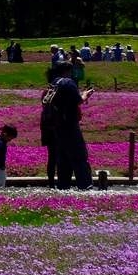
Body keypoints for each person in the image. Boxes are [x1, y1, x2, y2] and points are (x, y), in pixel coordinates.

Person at [50, 61, 94, 190]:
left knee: (63, 158)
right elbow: (79, 100)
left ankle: (63, 187)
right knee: (79, 156)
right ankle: (85, 186)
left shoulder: (54, 83)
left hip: (58, 126)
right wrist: (86, 94)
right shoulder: (68, 83)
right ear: (68, 71)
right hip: (70, 125)